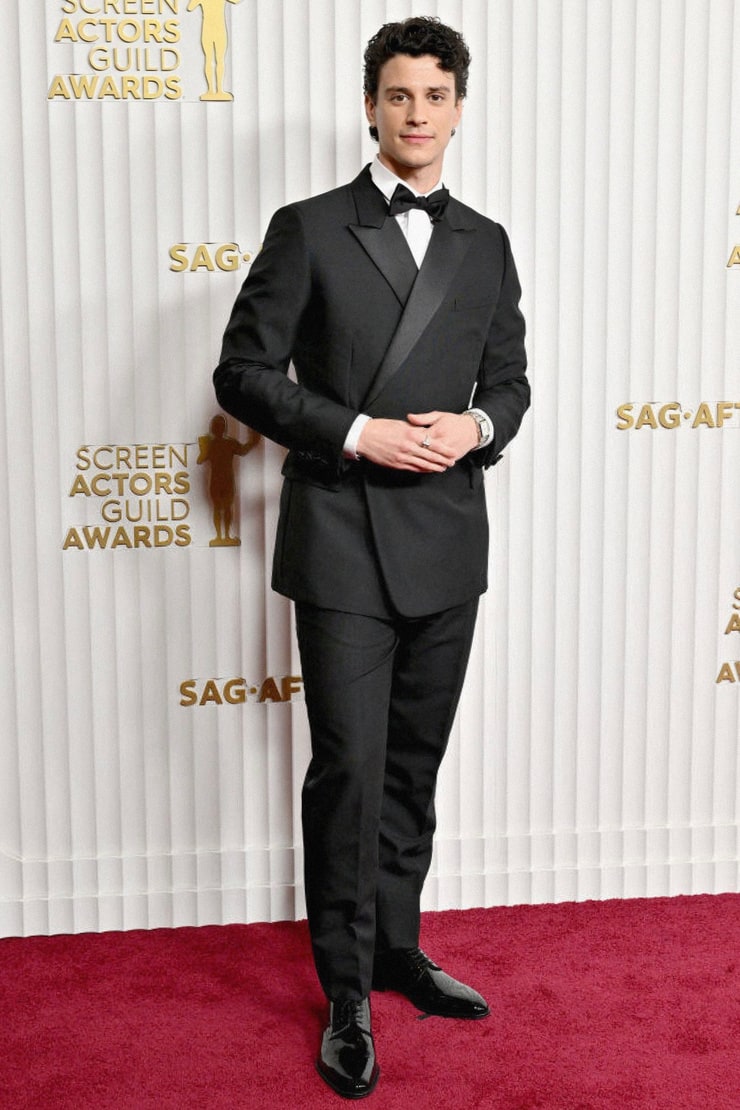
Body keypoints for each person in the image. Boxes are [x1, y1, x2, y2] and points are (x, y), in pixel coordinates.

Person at [214, 16, 529, 1099]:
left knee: (411, 768)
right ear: (369, 106)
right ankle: (344, 993)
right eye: (398, 94)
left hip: (447, 539)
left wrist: (476, 427)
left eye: (435, 95)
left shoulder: (485, 242)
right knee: (348, 773)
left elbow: (509, 383)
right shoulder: (307, 227)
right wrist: (356, 432)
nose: (416, 113)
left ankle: (397, 947)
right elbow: (243, 375)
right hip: (343, 539)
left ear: (458, 109)